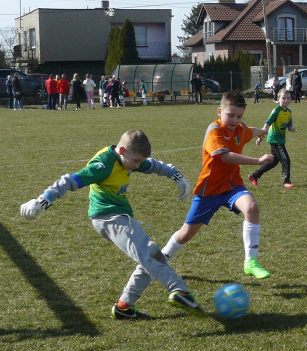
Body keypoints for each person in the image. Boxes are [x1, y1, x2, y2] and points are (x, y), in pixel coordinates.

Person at [19, 129, 201, 320]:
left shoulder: (128, 158)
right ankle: (180, 291)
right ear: (122, 150)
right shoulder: (103, 165)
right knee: (149, 253)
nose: (138, 166)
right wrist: (42, 201)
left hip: (121, 215)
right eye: (136, 161)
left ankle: (124, 306)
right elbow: (70, 181)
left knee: (147, 260)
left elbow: (152, 165)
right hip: (107, 218)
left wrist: (175, 175)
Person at [159, 91, 275, 281]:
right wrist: (257, 160)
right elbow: (225, 156)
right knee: (185, 234)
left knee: (252, 208)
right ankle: (161, 259)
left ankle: (250, 262)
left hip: (232, 186)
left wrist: (262, 132)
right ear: (219, 111)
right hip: (209, 190)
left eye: (239, 116)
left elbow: (249, 131)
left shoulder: (239, 128)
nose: (235, 120)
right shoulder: (214, 130)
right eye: (231, 115)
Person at [248, 88, 295, 188]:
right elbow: (266, 125)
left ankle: (254, 175)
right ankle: (286, 181)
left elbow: (289, 125)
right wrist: (260, 137)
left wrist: (292, 128)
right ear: (278, 99)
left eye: (288, 98)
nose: (286, 100)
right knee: (285, 159)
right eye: (283, 98)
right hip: (274, 139)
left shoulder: (289, 112)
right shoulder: (276, 111)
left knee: (273, 161)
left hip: (280, 139)